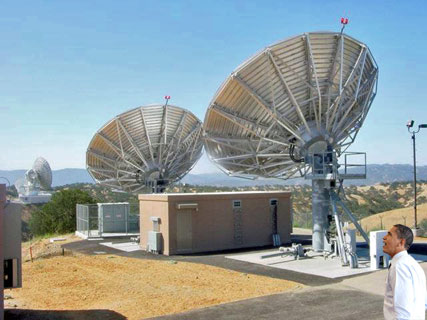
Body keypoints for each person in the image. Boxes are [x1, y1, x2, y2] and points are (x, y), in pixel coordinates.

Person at [382, 224, 426, 319]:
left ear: (401, 242)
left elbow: (402, 311)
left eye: (389, 235)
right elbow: (424, 302)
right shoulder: (413, 263)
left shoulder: (399, 266)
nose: (384, 238)